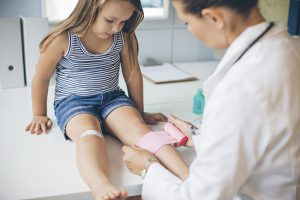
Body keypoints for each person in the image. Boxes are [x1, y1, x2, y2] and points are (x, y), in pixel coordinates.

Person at [122, 0, 300, 199]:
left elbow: (200, 197)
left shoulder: (241, 88)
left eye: (186, 22)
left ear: (214, 18)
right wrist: (201, 137)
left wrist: (148, 168)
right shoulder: (290, 47)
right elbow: (263, 137)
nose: (189, 30)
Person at [25, 0, 189, 199]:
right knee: (90, 135)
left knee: (139, 130)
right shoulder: (62, 38)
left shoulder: (123, 36)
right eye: (110, 20)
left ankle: (188, 175)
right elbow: (41, 78)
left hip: (112, 98)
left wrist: (139, 112)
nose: (116, 27)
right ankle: (100, 185)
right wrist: (39, 114)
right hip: (73, 103)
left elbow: (133, 75)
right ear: (90, 8)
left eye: (123, 21)